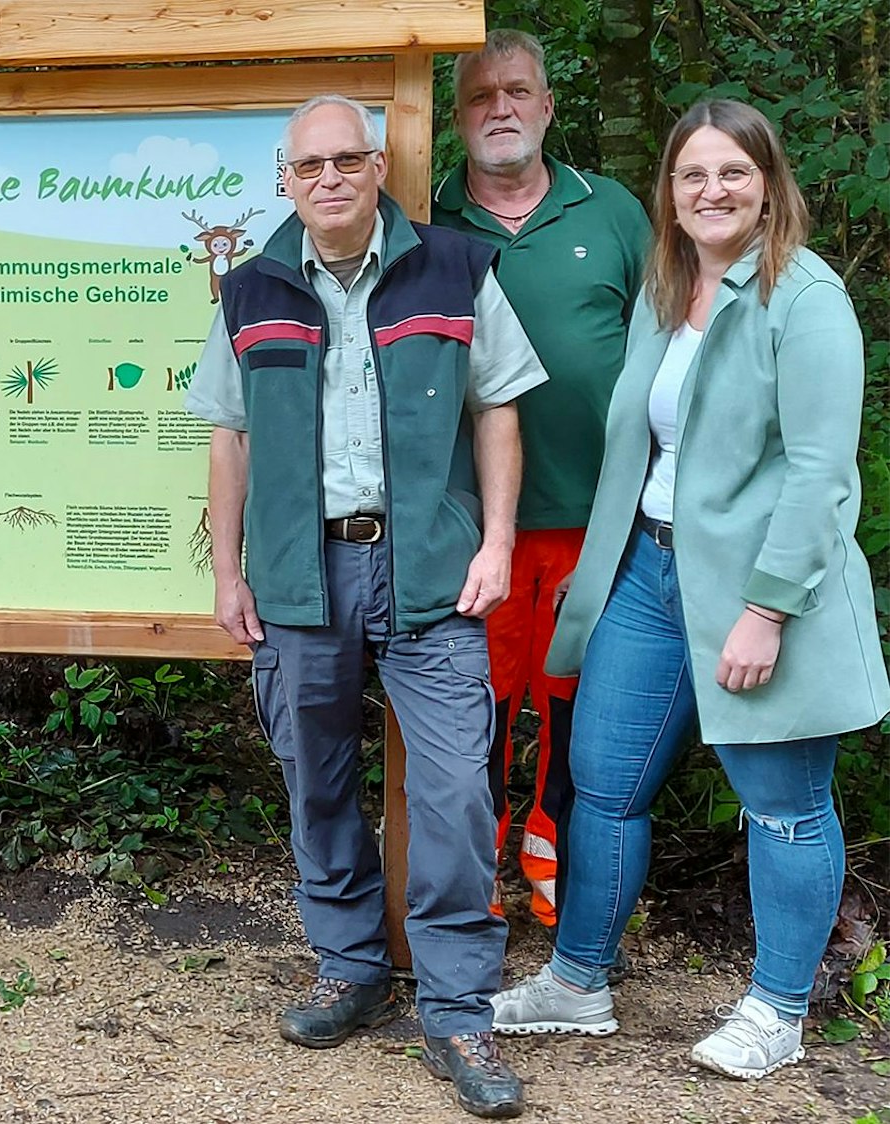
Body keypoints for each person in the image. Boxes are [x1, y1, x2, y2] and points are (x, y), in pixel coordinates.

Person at [490, 99, 890, 1080]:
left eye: (731, 173)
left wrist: (764, 609)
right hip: (646, 570)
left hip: (760, 589)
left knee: (783, 800)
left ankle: (778, 1008)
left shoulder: (804, 298)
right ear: (667, 194)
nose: (710, 192)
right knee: (603, 780)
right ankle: (577, 979)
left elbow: (819, 472)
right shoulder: (668, 288)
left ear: (766, 184)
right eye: (690, 175)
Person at [186, 94, 547, 1119]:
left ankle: (455, 1008)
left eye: (349, 159)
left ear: (379, 165)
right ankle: (347, 966)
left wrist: (498, 542)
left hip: (432, 570)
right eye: (312, 165)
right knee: (316, 777)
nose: (331, 178)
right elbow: (228, 435)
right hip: (302, 576)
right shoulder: (249, 290)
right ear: (284, 179)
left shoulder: (454, 269)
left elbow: (499, 410)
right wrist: (228, 571)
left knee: (453, 795)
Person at [431, 29, 651, 928]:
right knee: (473, 702)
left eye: (516, 91)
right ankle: (472, 873)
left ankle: (552, 862)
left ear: (547, 104)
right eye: (480, 97)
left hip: (593, 512)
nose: (500, 109)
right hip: (464, 519)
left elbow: (670, 343)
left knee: (573, 703)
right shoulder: (424, 214)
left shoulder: (611, 213)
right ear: (456, 118)